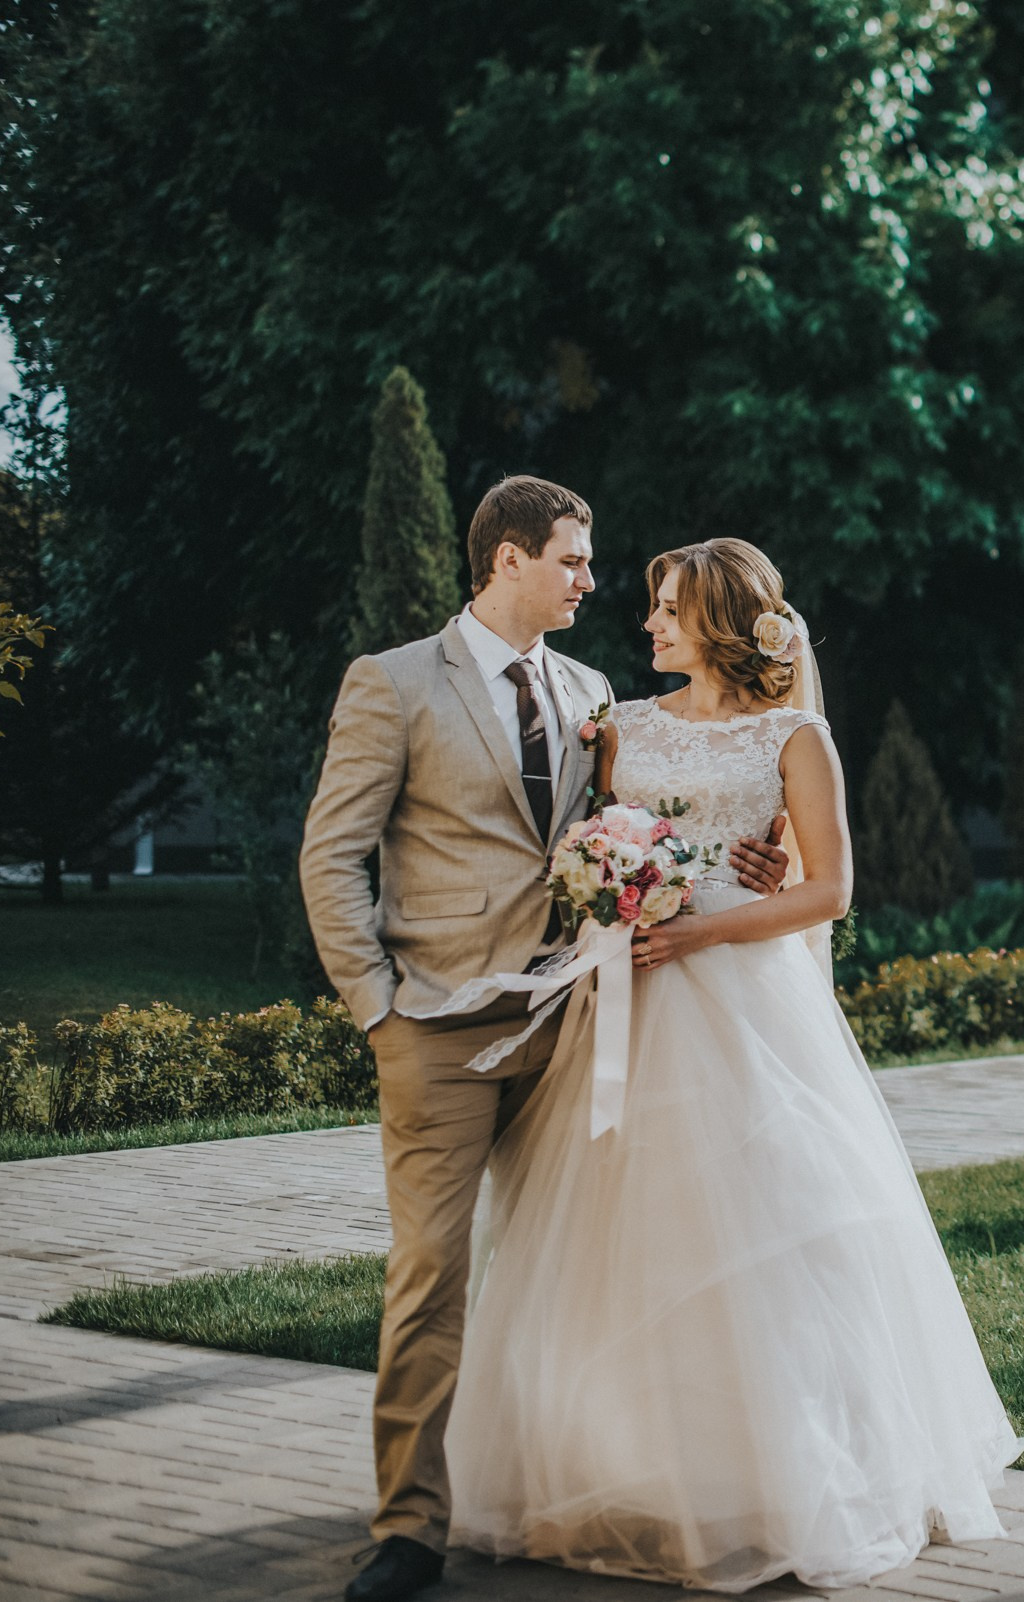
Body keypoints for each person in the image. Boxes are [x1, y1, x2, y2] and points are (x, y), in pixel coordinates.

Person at [442, 537, 1023, 1591]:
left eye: (667, 609)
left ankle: (783, 1479)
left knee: (764, 1230)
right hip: (629, 995)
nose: (649, 625)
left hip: (741, 999)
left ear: (717, 620)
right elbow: (594, 838)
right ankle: (627, 1468)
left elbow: (830, 891)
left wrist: (705, 928)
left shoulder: (796, 735)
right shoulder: (623, 726)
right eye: (654, 607)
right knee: (615, 1233)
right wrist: (607, 896)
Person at [300, 480, 791, 1602]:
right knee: (434, 1273)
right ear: (510, 559)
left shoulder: (592, 693)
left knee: (581, 1267)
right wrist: (377, 1005)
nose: (590, 580)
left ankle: (569, 1482)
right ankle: (409, 1531)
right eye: (574, 560)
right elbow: (331, 858)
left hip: (578, 1022)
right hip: (435, 1025)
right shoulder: (393, 685)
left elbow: (637, 834)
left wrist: (748, 866)